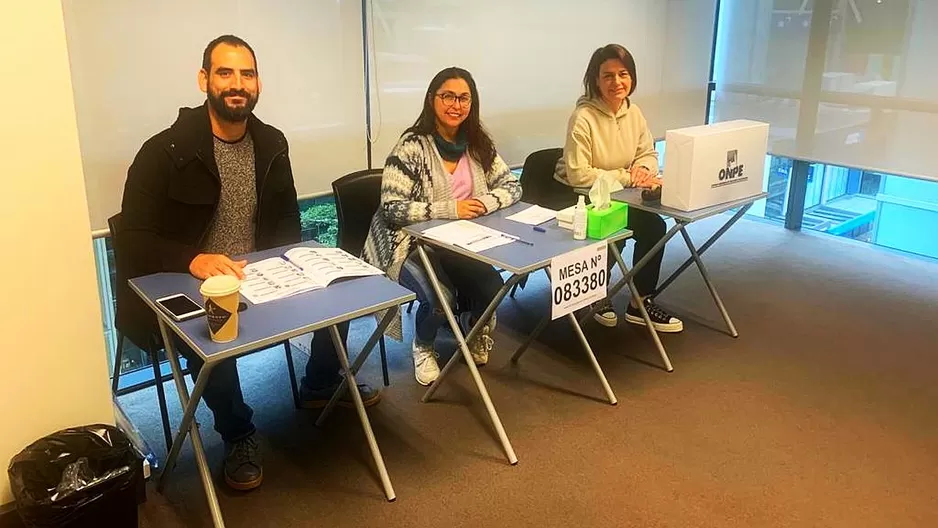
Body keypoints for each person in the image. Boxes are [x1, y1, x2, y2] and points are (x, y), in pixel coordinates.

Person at [116, 35, 381, 492]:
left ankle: (320, 384)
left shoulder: (272, 142)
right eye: (225, 72)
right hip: (187, 280)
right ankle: (238, 432)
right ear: (204, 79)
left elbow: (285, 220)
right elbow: (134, 241)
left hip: (258, 271)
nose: (237, 84)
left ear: (257, 83)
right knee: (209, 332)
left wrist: (296, 265)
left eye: (247, 74)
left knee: (336, 290)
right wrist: (193, 260)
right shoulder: (162, 153)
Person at [362, 67, 522, 386]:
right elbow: (392, 208)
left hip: (461, 241)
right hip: (405, 243)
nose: (455, 105)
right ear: (432, 99)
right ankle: (423, 345)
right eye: (447, 96)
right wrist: (453, 209)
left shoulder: (477, 144)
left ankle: (471, 328)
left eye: (464, 98)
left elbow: (512, 186)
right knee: (439, 299)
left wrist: (484, 204)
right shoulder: (412, 145)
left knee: (492, 288)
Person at [555, 44, 683, 333]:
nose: (616, 82)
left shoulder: (633, 112)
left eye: (623, 74)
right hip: (579, 194)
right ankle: (593, 294)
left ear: (632, 77)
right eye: (607, 76)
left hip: (621, 193)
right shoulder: (583, 117)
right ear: (596, 80)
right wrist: (627, 176)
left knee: (654, 228)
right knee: (614, 229)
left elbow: (647, 153)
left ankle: (640, 302)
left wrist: (644, 170)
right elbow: (578, 175)